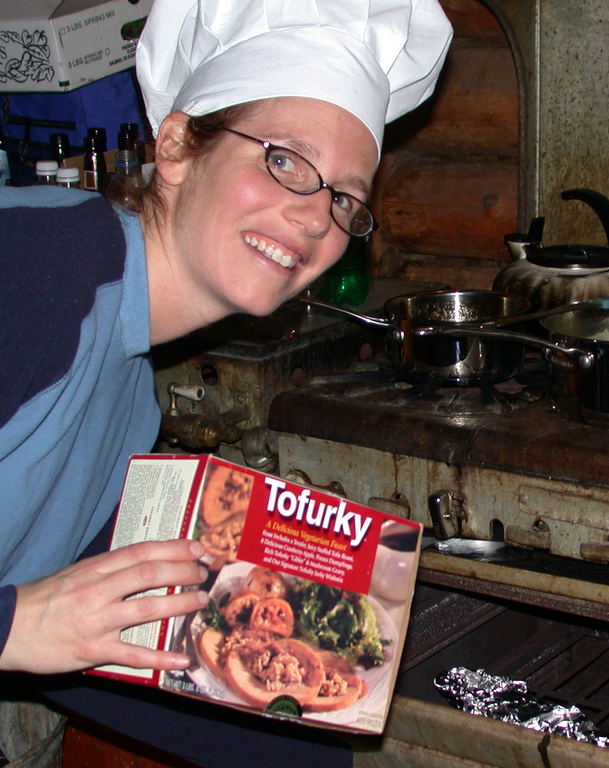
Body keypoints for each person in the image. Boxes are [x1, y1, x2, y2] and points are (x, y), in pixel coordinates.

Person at [0, 0, 452, 764]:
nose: (315, 219)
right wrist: (15, 626)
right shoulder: (41, 269)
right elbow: (36, 622)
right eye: (283, 160)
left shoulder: (123, 392)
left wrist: (325, 704)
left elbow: (109, 628)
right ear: (175, 144)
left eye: (344, 197)